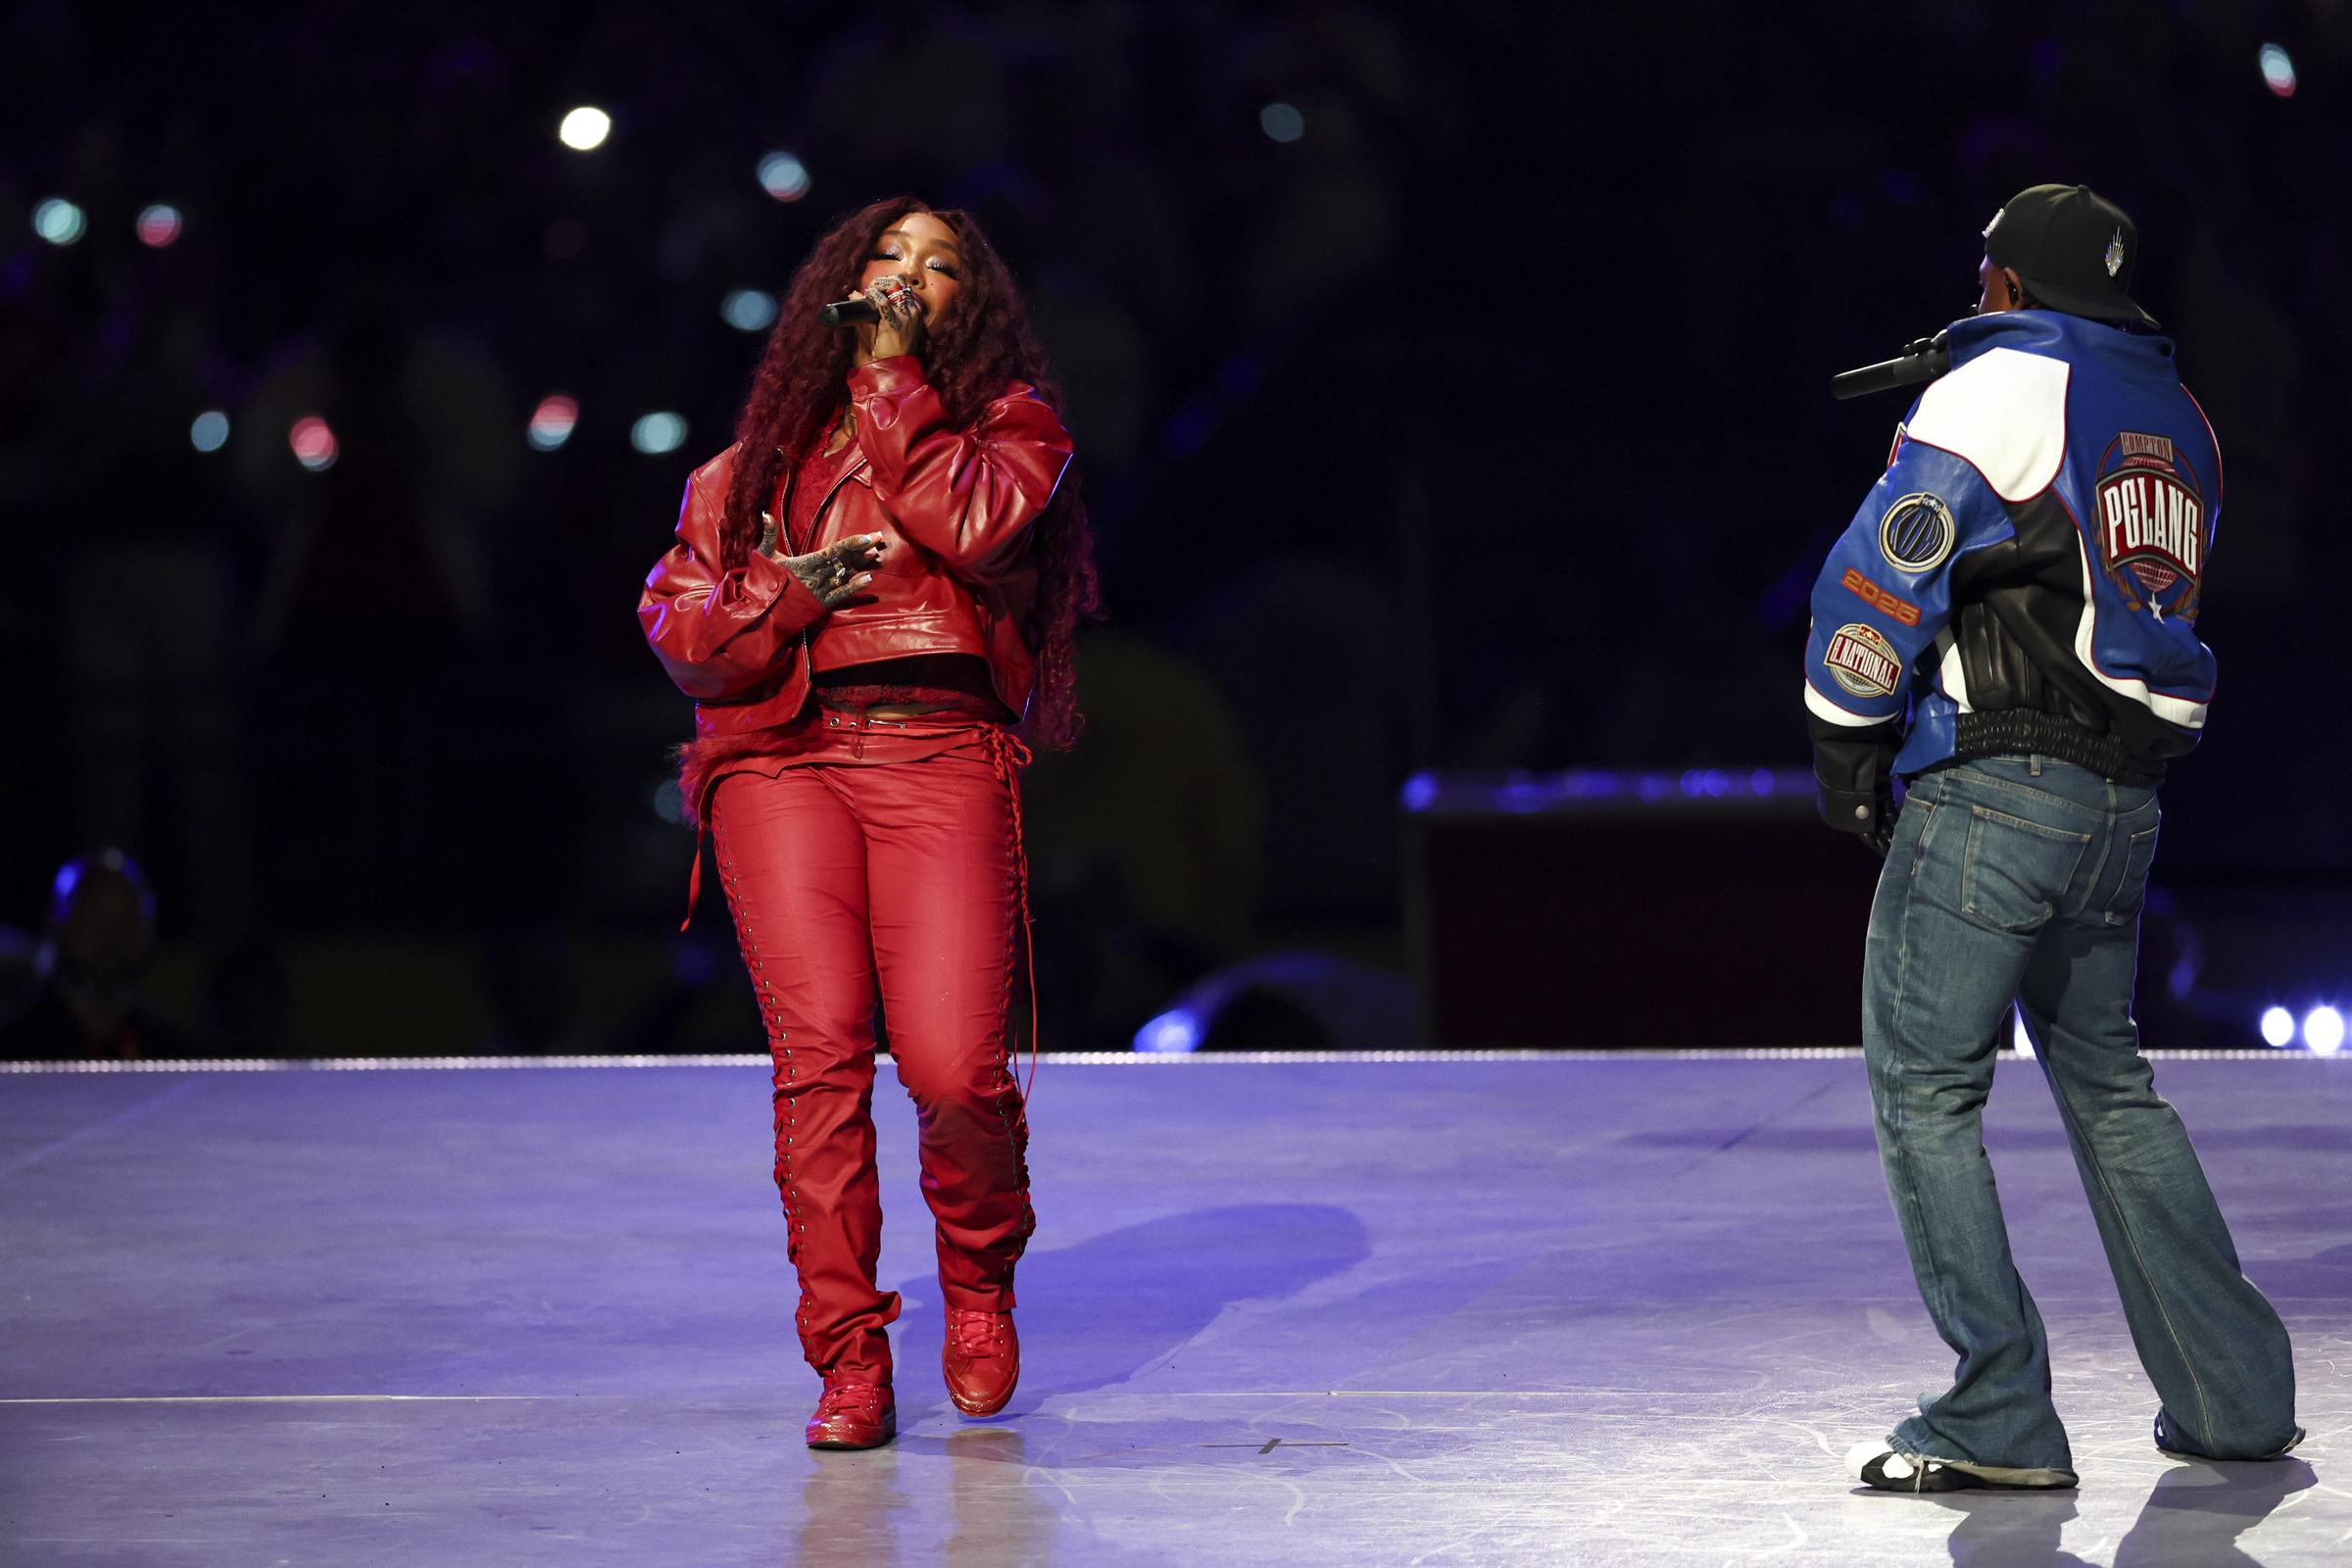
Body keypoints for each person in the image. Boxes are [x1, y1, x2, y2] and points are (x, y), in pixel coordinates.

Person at [1802, 184, 2301, 1493]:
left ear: (2011, 286)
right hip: (2121, 810)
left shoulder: (2003, 383)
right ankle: (2237, 1400)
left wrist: (1845, 726)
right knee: (2111, 1089)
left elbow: (1885, 563)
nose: (1974, 299)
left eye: (1984, 278)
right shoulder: (2181, 422)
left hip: (1994, 789)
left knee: (1927, 1093)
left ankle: (1997, 1413)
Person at [638, 196, 1095, 1451]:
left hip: (936, 751)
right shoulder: (748, 468)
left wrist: (892, 387)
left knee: (953, 1067)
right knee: (822, 1061)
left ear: (969, 308)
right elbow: (682, 630)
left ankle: (982, 1277)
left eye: (938, 266)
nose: (907, 276)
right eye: (885, 258)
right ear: (833, 291)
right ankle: (848, 1355)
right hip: (779, 760)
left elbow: (971, 524)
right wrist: (787, 595)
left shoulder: (1014, 435)